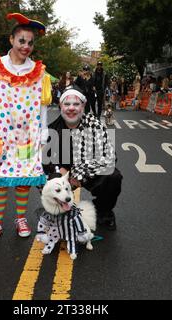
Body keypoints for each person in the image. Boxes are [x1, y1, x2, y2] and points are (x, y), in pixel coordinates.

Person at [0, 13, 52, 244]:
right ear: (11, 40)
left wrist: (43, 134)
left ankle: (20, 219)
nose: (26, 46)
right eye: (22, 41)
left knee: (23, 178)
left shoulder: (39, 73)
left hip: (27, 136)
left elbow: (42, 107)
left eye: (30, 42)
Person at [43, 86, 122, 231]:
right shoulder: (51, 129)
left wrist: (81, 174)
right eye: (67, 104)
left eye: (76, 104)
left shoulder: (95, 125)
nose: (71, 108)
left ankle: (104, 211)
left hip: (87, 172)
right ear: (60, 105)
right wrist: (59, 172)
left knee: (113, 176)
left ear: (83, 106)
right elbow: (44, 160)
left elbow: (111, 158)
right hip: (63, 174)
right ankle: (57, 211)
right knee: (47, 178)